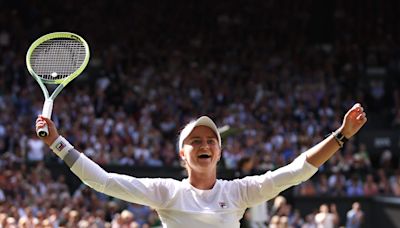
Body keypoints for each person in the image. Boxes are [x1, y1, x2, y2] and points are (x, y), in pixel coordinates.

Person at [35, 103, 367, 227]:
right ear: (183, 155)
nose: (204, 145)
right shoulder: (166, 192)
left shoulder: (239, 192)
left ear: (219, 153)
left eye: (211, 141)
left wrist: (341, 136)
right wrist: (58, 143)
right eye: (195, 141)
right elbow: (104, 182)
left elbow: (295, 171)